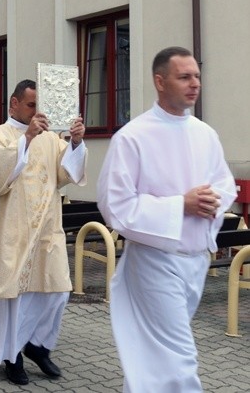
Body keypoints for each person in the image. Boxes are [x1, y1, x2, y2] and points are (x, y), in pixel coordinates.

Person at [96, 46, 237, 392]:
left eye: (197, 77)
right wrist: (180, 206)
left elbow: (224, 184)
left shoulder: (205, 133)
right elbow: (115, 205)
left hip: (195, 262)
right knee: (178, 361)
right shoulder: (132, 136)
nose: (194, 84)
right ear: (160, 82)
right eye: (184, 76)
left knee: (154, 361)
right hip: (154, 263)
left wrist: (212, 200)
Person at [0, 79, 87, 385]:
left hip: (47, 229)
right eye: (31, 105)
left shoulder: (51, 138)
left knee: (58, 291)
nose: (37, 112)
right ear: (14, 103)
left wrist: (76, 143)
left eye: (40, 105)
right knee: (14, 299)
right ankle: (11, 356)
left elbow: (67, 174)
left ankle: (37, 345)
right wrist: (26, 137)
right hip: (13, 231)